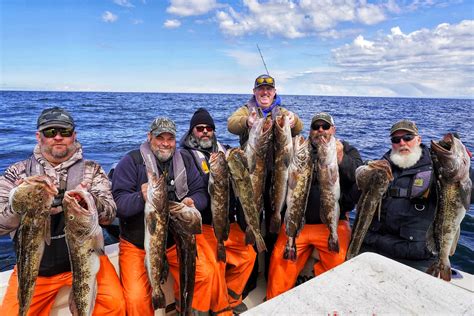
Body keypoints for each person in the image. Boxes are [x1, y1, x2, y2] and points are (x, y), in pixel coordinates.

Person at [0, 107, 125, 315]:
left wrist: (90, 201)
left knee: (115, 304)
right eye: (50, 132)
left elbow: (110, 214)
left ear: (74, 136)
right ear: (38, 137)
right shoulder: (17, 173)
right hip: (37, 269)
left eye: (65, 132)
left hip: (87, 257)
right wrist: (20, 202)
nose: (58, 137)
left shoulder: (91, 170)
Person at [112, 117, 231, 315]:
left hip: (176, 242)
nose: (166, 143)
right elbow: (119, 205)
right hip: (138, 245)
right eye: (160, 137)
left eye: (170, 138)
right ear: (149, 137)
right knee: (135, 297)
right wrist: (141, 197)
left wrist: (193, 203)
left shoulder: (184, 159)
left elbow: (201, 192)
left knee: (206, 274)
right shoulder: (130, 162)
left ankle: (187, 310)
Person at [266, 112, 363, 299]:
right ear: (310, 131)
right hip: (295, 223)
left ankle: (323, 303)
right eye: (316, 127)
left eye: (325, 127)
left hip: (332, 224)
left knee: (338, 265)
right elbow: (278, 161)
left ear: (333, 130)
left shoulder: (347, 150)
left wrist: (341, 157)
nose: (320, 131)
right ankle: (274, 304)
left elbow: (357, 176)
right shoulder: (300, 148)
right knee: (279, 265)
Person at [227, 74, 304, 288]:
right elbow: (231, 125)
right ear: (254, 92)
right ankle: (249, 280)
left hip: (275, 177)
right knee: (247, 223)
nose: (265, 93)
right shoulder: (246, 110)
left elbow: (299, 127)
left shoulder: (283, 112)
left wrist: (294, 120)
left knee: (272, 228)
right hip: (251, 176)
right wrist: (247, 122)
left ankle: (271, 274)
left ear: (274, 92)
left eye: (269, 90)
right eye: (260, 89)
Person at [181, 108, 257, 314]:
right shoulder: (184, 156)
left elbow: (247, 166)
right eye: (200, 128)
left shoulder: (225, 150)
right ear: (192, 131)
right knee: (213, 266)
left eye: (209, 128)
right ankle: (214, 308)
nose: (205, 132)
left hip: (227, 222)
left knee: (249, 255)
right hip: (203, 227)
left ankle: (232, 298)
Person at [360, 120, 439, 271]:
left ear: (418, 139)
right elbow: (354, 194)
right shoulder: (380, 166)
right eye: (396, 140)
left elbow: (467, 192)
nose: (402, 142)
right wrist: (362, 173)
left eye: (408, 137)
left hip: (414, 256)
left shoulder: (437, 169)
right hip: (372, 248)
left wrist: (463, 168)